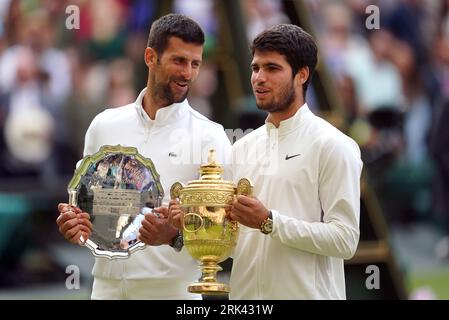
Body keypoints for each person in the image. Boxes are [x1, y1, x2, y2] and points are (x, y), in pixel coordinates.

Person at [56, 13, 231, 300]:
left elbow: (226, 234)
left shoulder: (210, 137)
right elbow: (85, 208)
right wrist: (74, 225)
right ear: (150, 57)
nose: (187, 73)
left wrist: (172, 237)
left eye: (195, 63)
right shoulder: (104, 125)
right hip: (105, 288)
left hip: (173, 291)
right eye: (179, 61)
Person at [227, 24, 363, 299]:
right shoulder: (241, 149)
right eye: (256, 68)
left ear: (302, 75)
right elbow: (238, 245)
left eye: (272, 68)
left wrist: (269, 222)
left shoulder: (333, 145)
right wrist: (187, 230)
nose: (259, 78)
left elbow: (345, 239)